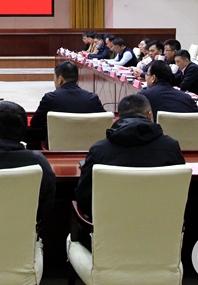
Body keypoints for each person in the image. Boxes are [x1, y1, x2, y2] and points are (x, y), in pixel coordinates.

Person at [75, 94, 184, 248]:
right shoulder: (170, 147)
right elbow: (180, 193)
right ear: (150, 116)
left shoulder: (100, 150)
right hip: (160, 241)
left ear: (118, 118)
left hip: (108, 242)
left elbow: (84, 198)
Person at [30, 61, 105, 133]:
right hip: (87, 141)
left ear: (60, 79)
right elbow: (106, 121)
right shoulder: (92, 98)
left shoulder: (50, 98)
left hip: (57, 141)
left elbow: (35, 124)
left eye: (54, 77)